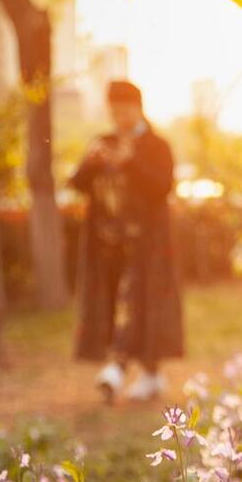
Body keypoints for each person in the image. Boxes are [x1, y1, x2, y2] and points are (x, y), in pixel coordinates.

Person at [69, 80, 183, 402]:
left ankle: (137, 370)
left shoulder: (157, 145)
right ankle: (127, 368)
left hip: (148, 242)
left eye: (124, 111)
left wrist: (130, 163)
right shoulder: (102, 142)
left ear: (138, 107)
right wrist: (92, 164)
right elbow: (77, 183)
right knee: (114, 303)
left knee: (144, 302)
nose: (119, 119)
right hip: (108, 243)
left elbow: (162, 186)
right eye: (114, 112)